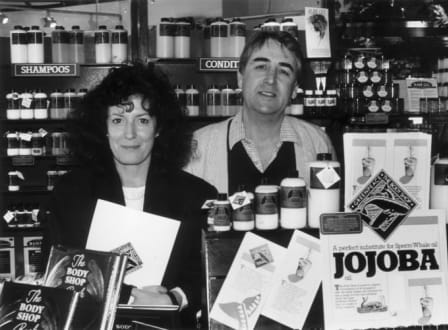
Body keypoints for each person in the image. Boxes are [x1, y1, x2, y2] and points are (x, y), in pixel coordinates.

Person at [40, 63, 217, 327]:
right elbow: (54, 270)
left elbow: (204, 271)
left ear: (159, 128)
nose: (130, 134)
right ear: (103, 127)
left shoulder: (196, 194)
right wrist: (130, 295)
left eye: (142, 120)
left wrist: (174, 298)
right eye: (118, 120)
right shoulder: (71, 192)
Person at [186, 31, 336, 194]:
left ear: (294, 89)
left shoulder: (317, 144)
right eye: (261, 67)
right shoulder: (199, 147)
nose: (270, 79)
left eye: (284, 71)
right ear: (240, 78)